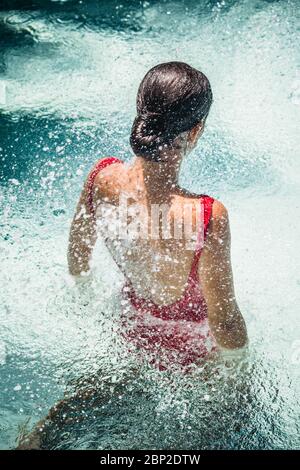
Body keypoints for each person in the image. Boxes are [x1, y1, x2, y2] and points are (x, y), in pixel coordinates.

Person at [17, 61, 247, 449]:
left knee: (71, 412)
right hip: (189, 356)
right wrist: (240, 376)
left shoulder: (101, 178)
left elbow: (78, 256)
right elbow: (223, 319)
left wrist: (82, 297)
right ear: (195, 131)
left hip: (129, 332)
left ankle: (35, 440)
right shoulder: (207, 215)